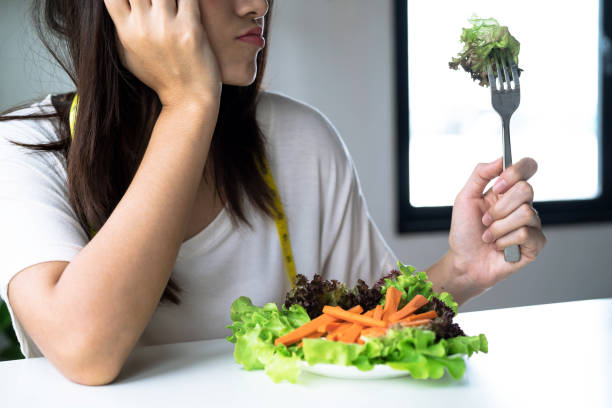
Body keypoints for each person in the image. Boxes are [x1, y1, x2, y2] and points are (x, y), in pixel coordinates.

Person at [0, 0, 545, 385]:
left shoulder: (302, 140)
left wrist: (461, 271)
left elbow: (366, 322)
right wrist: (189, 103)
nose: (259, 3)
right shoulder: (22, 148)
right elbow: (84, 350)